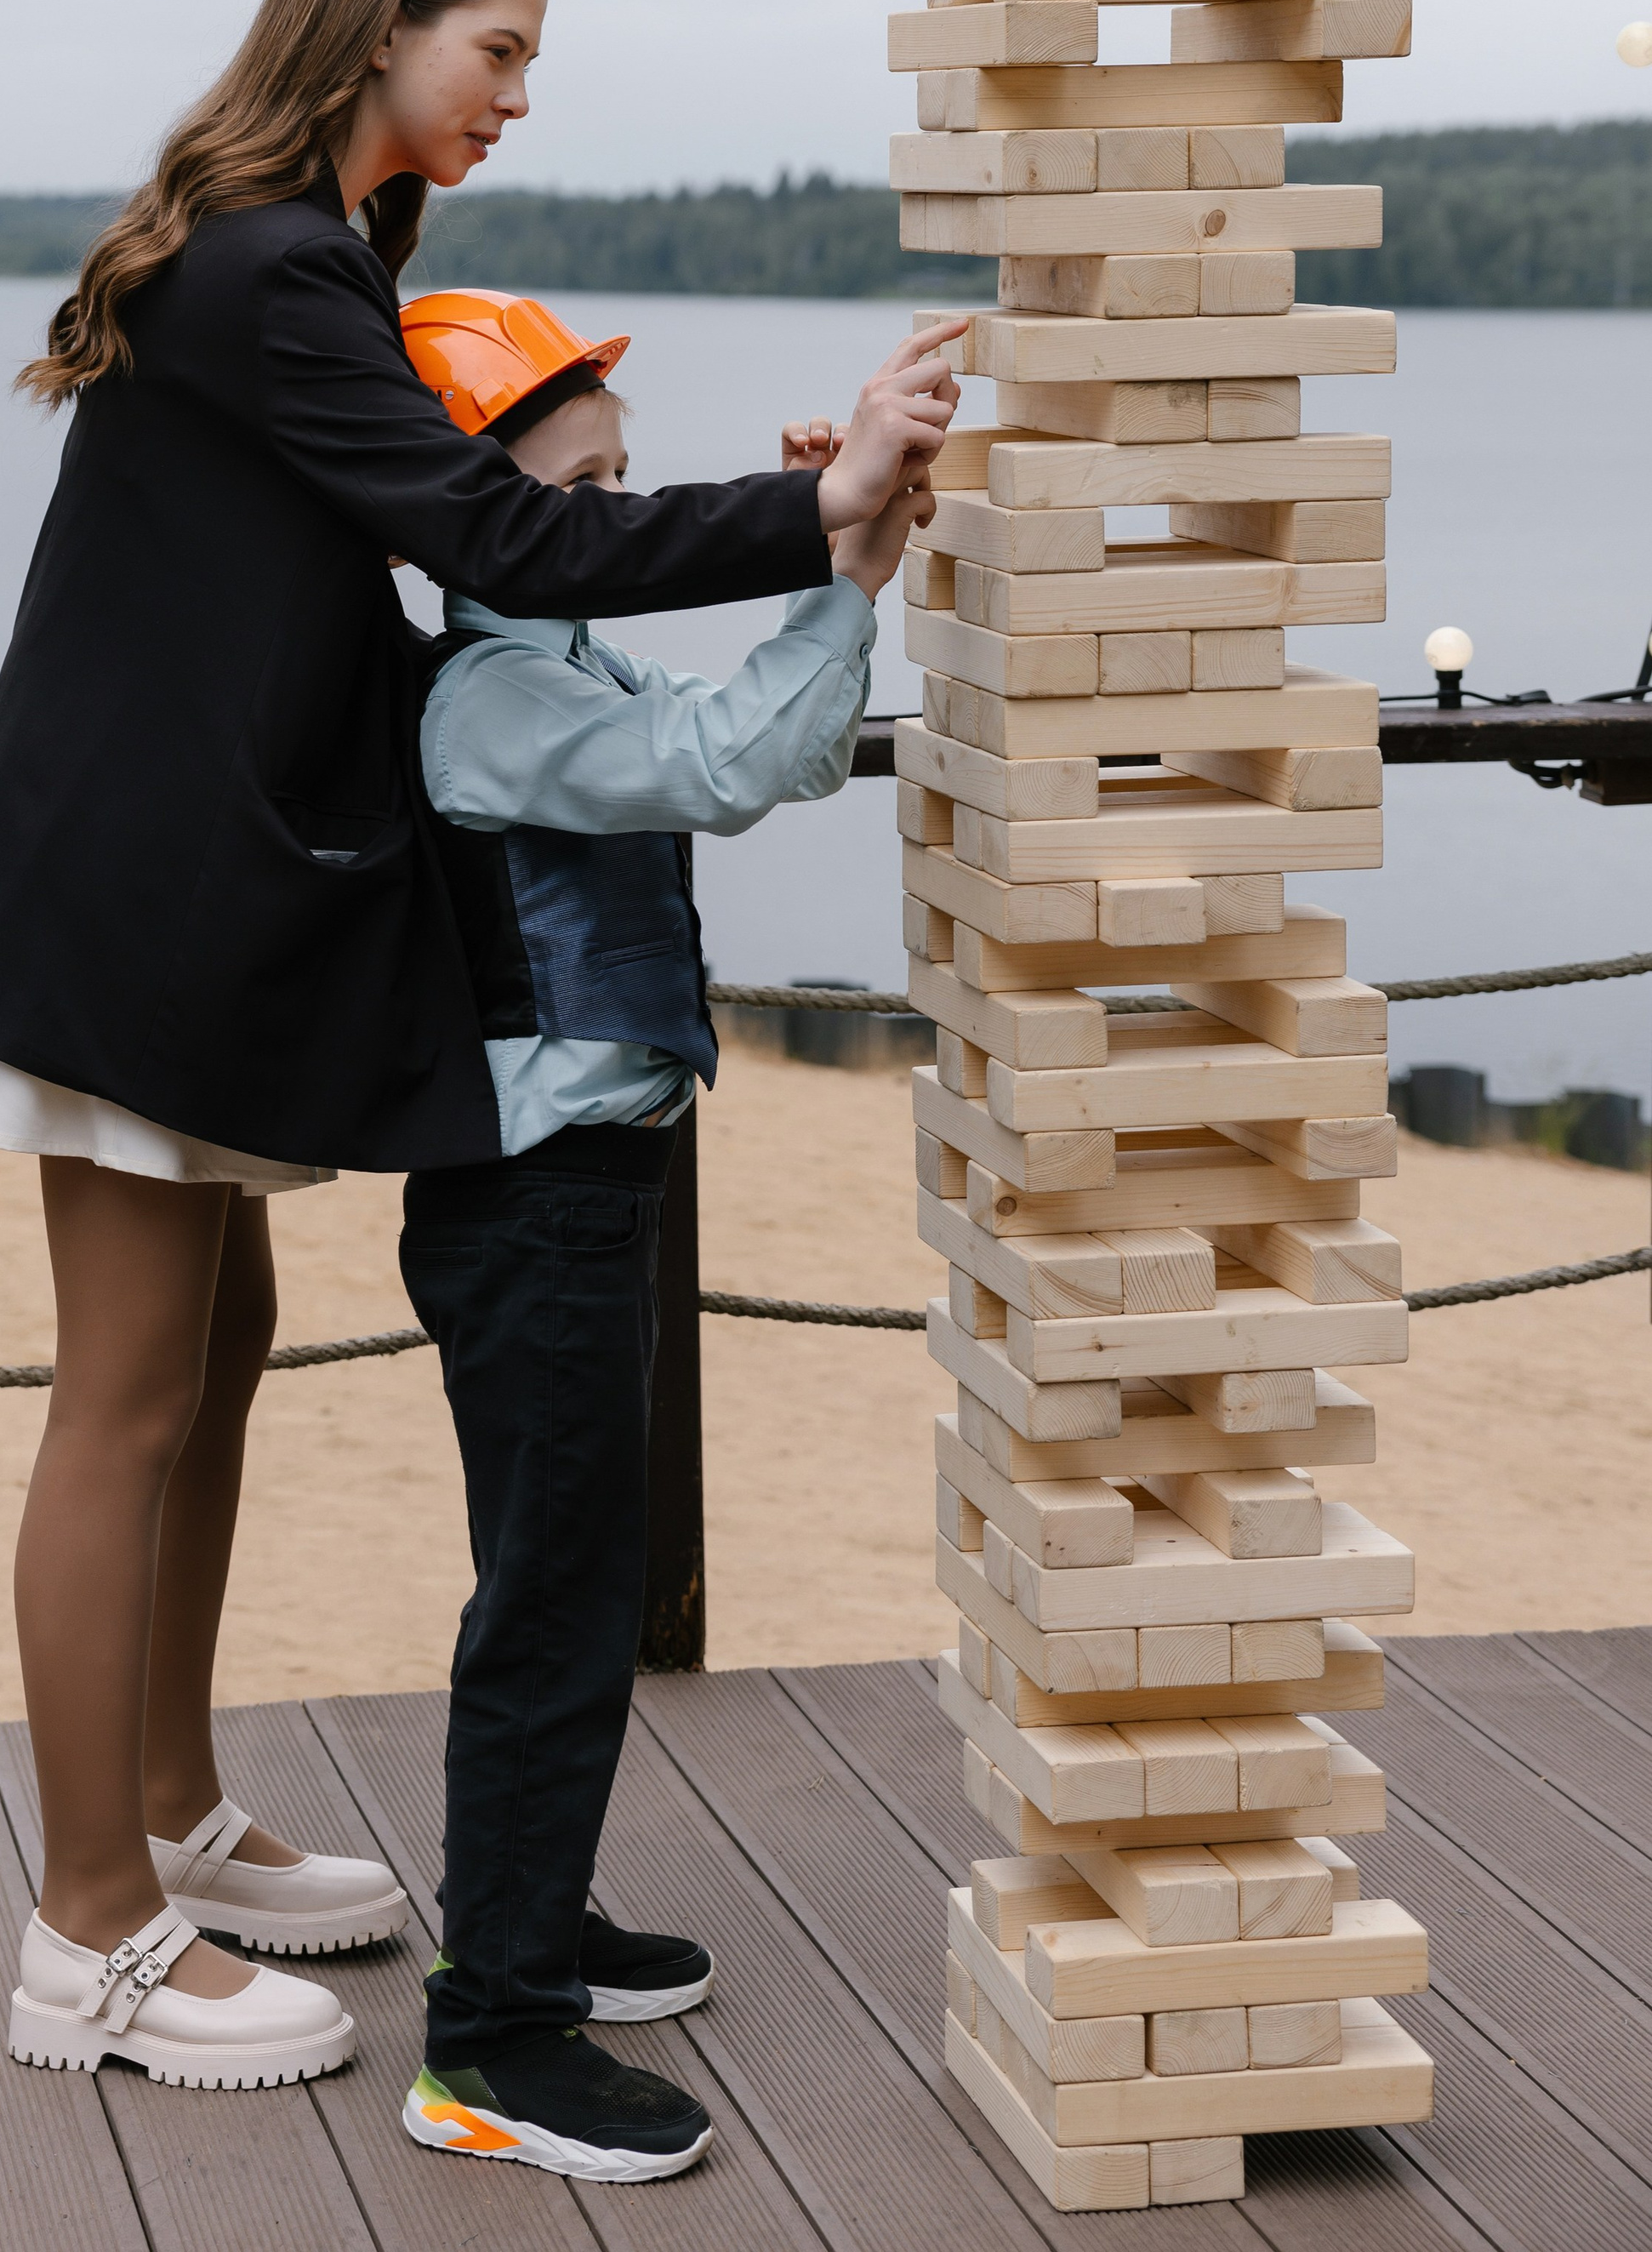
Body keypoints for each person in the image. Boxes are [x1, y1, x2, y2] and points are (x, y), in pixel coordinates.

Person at [0, 0, 957, 2093]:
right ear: (380, 26)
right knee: (126, 1397)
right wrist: (824, 503)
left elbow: (428, 562)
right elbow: (508, 541)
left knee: (221, 1352)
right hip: (135, 910)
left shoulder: (319, 256)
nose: (517, 99)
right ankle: (85, 1928)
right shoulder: (280, 271)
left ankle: (166, 1813)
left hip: (191, 894)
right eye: (499, 54)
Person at [395, 288, 963, 2182]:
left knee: (573, 1574)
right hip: (531, 1201)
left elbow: (763, 744)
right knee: (551, 1600)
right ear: (477, 512)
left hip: (585, 1190)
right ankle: (487, 2033)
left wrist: (850, 557)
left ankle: (533, 1929)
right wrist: (832, 557)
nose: (620, 525)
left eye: (625, 489)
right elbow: (725, 766)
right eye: (583, 496)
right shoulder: (491, 696)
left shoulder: (565, 659)